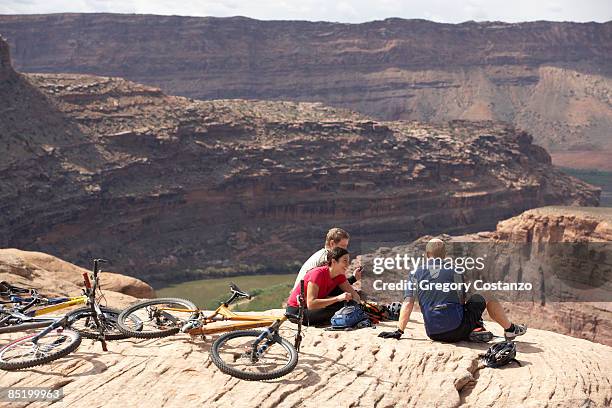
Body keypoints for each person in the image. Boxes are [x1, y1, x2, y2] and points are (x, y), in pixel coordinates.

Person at [379, 238, 527, 341]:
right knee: (485, 294)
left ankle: (471, 331)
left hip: (433, 333)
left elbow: (408, 303)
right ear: (444, 255)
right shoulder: (455, 271)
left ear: (427, 254)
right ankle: (509, 329)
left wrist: (399, 331)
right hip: (456, 329)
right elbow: (462, 302)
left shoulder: (415, 273)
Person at [286, 247, 361, 326]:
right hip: (297, 312)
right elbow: (311, 304)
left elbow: (354, 295)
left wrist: (357, 307)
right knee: (338, 307)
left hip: (312, 309)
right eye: (345, 261)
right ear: (334, 261)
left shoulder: (340, 276)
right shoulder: (318, 274)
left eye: (348, 261)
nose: (347, 264)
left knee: (347, 303)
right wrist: (337, 298)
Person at [292, 227, 361, 292]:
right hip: (302, 300)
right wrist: (353, 279)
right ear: (332, 243)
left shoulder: (324, 255)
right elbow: (331, 290)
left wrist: (353, 278)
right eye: (343, 246)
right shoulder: (325, 259)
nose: (345, 249)